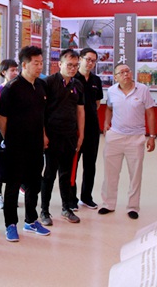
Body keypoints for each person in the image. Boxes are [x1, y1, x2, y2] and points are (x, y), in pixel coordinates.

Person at [0, 46, 50, 242]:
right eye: (36, 63)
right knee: (13, 185)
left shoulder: (41, 86)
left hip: (36, 145)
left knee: (34, 184)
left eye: (41, 63)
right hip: (16, 146)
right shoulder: (12, 88)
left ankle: (31, 220)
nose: (39, 67)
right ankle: (10, 224)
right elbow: (2, 117)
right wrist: (9, 139)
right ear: (24, 65)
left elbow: (41, 115)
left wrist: (43, 135)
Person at [99, 64, 156, 220]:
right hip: (115, 137)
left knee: (135, 174)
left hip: (136, 138)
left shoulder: (142, 89)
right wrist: (106, 122)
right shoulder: (112, 91)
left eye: (127, 71)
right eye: (121, 72)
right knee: (110, 173)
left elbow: (150, 113)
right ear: (115, 77)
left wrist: (152, 136)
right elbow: (109, 108)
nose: (126, 74)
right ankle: (108, 204)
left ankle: (133, 207)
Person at [40, 49, 85, 225]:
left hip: (70, 135)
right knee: (49, 173)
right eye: (69, 65)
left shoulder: (77, 85)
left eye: (76, 65)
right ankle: (44, 211)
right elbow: (41, 111)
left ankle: (67, 208)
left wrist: (81, 134)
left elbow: (80, 111)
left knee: (66, 174)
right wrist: (43, 134)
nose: (73, 68)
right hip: (52, 136)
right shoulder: (48, 83)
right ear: (60, 64)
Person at [73, 48, 104, 210]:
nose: (90, 63)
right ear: (80, 59)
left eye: (93, 61)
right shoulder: (72, 78)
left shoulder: (96, 80)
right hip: (75, 129)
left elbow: (97, 103)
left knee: (90, 164)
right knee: (73, 164)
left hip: (92, 128)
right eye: (88, 59)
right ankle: (71, 198)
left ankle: (86, 197)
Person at [0, 59, 19, 209]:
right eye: (12, 70)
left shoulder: (19, 88)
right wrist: (4, 134)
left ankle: (13, 192)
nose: (15, 73)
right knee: (0, 164)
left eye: (16, 70)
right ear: (3, 72)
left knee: (14, 163)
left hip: (16, 131)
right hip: (2, 131)